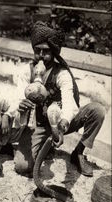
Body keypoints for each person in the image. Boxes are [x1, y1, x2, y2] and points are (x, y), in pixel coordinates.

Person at [14, 21, 105, 177]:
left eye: (46, 51)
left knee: (97, 111)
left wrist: (62, 125)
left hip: (60, 121)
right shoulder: (25, 71)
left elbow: (69, 103)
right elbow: (16, 97)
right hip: (38, 125)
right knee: (22, 167)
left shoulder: (61, 74)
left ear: (54, 53)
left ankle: (79, 153)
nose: (41, 56)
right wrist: (20, 105)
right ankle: (44, 145)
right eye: (37, 51)